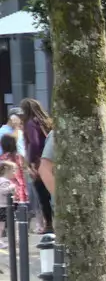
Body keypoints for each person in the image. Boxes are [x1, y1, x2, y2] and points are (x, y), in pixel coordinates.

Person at [19, 99, 52, 232]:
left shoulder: (30, 124)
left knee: (42, 194)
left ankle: (49, 224)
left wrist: (32, 162)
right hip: (51, 160)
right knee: (51, 192)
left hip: (39, 163)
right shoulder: (46, 122)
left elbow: (34, 143)